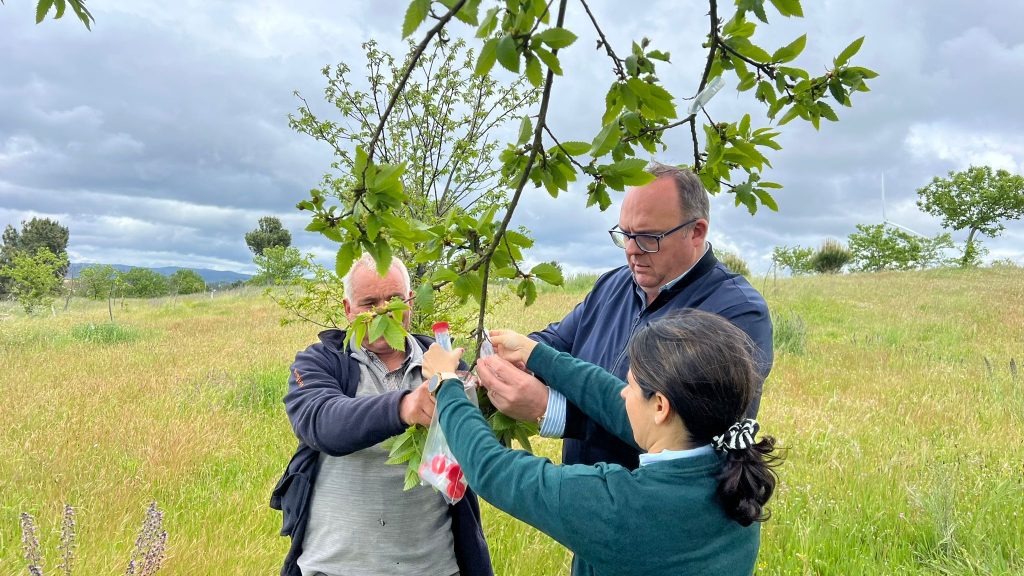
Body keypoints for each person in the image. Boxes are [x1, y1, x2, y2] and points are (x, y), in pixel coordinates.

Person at [423, 309, 781, 576]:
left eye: (631, 384)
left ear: (660, 407)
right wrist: (536, 353)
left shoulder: (620, 506)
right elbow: (610, 398)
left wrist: (446, 385)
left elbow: (494, 470)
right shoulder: (733, 472)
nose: (624, 393)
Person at [477, 162, 773, 470]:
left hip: (650, 509)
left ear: (696, 232)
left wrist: (554, 411)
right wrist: (504, 361)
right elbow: (557, 341)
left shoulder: (737, 312)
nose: (632, 250)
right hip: (582, 496)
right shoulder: (613, 284)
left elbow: (694, 437)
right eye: (625, 234)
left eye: (648, 237)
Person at [271, 253, 492, 576]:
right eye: (369, 303)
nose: (383, 312)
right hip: (335, 568)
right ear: (348, 310)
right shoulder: (320, 363)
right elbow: (322, 422)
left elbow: (475, 455)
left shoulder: (448, 367)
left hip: (433, 568)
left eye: (394, 300)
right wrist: (403, 407)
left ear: (411, 302)